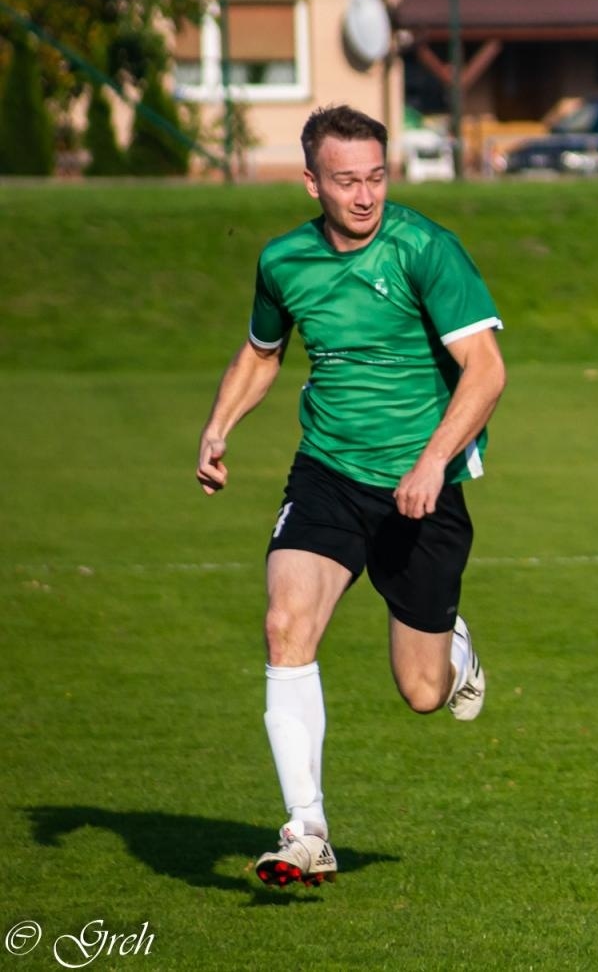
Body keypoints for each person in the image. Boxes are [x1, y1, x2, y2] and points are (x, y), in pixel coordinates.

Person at [195, 105, 507, 889]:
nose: (365, 196)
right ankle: (306, 830)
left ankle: (454, 645)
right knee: (284, 624)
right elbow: (264, 352)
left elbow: (487, 370)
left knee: (423, 692)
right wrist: (219, 426)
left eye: (376, 177)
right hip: (327, 473)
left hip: (421, 488)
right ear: (311, 182)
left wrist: (435, 462)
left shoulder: (424, 249)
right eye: (346, 181)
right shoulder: (283, 261)